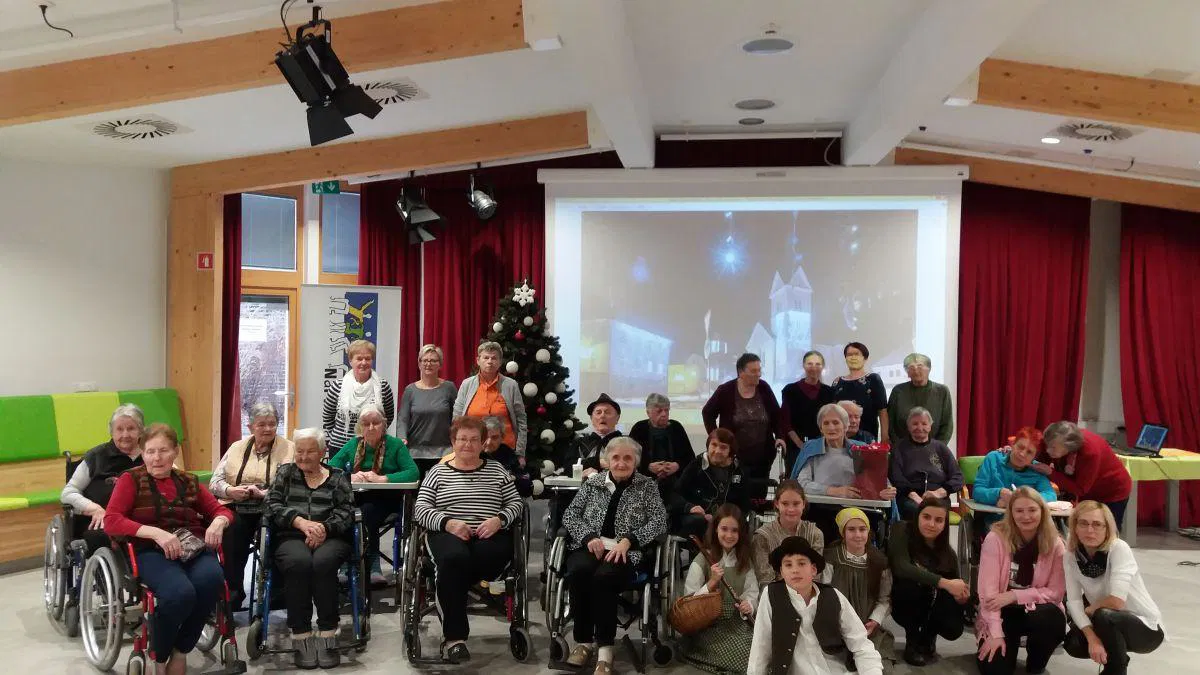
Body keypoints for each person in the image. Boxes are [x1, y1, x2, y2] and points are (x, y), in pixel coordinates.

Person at [104, 424, 233, 675]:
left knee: (212, 580)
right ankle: (159, 655)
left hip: (191, 548)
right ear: (142, 454)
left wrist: (219, 521)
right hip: (151, 551)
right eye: (150, 451)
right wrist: (155, 533)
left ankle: (181, 650)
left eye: (163, 450)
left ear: (175, 452)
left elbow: (220, 510)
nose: (156, 457)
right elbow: (112, 520)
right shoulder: (131, 480)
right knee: (179, 593)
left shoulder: (189, 481)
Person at [413, 417, 524, 664]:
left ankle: (451, 584)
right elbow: (420, 509)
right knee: (453, 558)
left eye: (474, 439)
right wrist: (448, 523)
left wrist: (499, 519)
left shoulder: (497, 470)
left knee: (458, 567)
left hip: (489, 537)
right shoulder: (437, 472)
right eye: (462, 439)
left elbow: (516, 503)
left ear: (483, 443)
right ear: (453, 442)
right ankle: (455, 639)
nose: (468, 444)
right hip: (447, 534)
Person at [561, 437, 668, 675]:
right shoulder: (593, 483)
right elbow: (570, 515)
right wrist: (589, 537)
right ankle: (584, 642)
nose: (621, 463)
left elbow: (660, 521)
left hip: (626, 551)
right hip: (590, 547)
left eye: (627, 458)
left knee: (604, 578)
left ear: (636, 462)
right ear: (607, 460)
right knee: (579, 572)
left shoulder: (647, 486)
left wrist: (629, 541)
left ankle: (605, 650)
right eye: (616, 458)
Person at [265, 428, 354, 670]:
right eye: (299, 451)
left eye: (310, 451)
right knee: (299, 563)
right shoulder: (286, 473)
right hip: (291, 535)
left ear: (323, 452)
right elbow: (271, 505)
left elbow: (346, 512)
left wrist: (324, 528)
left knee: (323, 564)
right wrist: (300, 522)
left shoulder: (337, 477)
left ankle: (327, 633)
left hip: (331, 537)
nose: (303, 457)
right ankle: (301, 635)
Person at [747, 536, 883, 675]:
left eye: (801, 563)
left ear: (813, 569)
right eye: (788, 565)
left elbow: (861, 645)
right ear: (781, 572)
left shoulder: (833, 596)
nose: (795, 570)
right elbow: (760, 649)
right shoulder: (771, 595)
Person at [1063, 501, 1164, 675]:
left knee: (1105, 614)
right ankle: (1117, 659)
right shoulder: (1071, 555)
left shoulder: (1118, 548)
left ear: (1107, 529)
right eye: (1083, 523)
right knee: (1073, 643)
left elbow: (1116, 602)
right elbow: (1073, 600)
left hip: (1145, 628)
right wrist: (1092, 638)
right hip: (1105, 622)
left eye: (1097, 524)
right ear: (1075, 527)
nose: (1089, 530)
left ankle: (1116, 669)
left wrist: (1090, 610)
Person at [210, 401, 294, 609]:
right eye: (262, 424)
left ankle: (276, 593)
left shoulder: (288, 448)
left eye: (272, 424)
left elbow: (290, 484)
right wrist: (231, 491)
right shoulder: (236, 448)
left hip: (271, 505)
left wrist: (264, 493)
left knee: (274, 530)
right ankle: (233, 593)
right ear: (251, 427)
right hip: (236, 504)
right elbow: (215, 482)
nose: (268, 429)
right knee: (231, 532)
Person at [975, 487, 1066, 675]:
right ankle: (1007, 642)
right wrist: (996, 634)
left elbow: (1055, 593)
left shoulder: (1056, 543)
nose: (1026, 516)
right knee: (995, 670)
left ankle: (1037, 662)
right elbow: (988, 594)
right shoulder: (995, 539)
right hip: (1000, 612)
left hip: (1035, 610)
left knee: (1052, 617)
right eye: (1019, 511)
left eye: (1032, 510)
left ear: (1042, 511)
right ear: (1011, 513)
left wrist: (1014, 595)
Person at [328, 404, 418, 583]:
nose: (370, 427)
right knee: (346, 512)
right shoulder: (353, 444)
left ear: (383, 425)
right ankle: (346, 564)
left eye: (375, 423)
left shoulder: (396, 445)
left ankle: (373, 563)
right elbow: (329, 468)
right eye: (366, 423)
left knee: (366, 512)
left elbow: (413, 472)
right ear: (360, 427)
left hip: (387, 499)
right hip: (356, 497)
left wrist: (382, 479)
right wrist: (350, 476)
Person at [790, 403, 896, 542]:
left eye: (835, 422)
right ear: (821, 428)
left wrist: (885, 490)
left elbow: (882, 482)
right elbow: (801, 484)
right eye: (826, 423)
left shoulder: (862, 449)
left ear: (846, 426)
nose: (831, 427)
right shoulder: (811, 449)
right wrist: (834, 491)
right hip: (821, 510)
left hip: (858, 510)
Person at [887, 497, 969, 667]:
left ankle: (928, 637)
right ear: (918, 516)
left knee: (953, 624)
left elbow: (957, 587)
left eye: (939, 520)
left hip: (932, 605)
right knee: (910, 585)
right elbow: (901, 567)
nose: (931, 524)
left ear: (945, 524)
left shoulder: (949, 554)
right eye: (926, 517)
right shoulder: (901, 529)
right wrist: (944, 583)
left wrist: (961, 597)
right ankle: (912, 639)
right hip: (904, 599)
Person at [680, 504, 759, 674]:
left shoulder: (744, 561)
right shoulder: (702, 559)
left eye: (734, 530)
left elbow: (752, 591)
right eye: (724, 529)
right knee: (745, 654)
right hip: (708, 625)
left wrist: (749, 605)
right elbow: (688, 601)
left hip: (736, 623)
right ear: (715, 529)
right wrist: (712, 583)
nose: (729, 535)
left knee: (760, 648)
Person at [61, 403, 146, 553]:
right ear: (111, 431)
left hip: (142, 518)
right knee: (104, 537)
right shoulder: (96, 456)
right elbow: (68, 493)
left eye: (131, 428)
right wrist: (94, 508)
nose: (125, 434)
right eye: (119, 429)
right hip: (103, 522)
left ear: (141, 431)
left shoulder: (151, 453)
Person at [823, 508, 896, 673]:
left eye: (862, 529)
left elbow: (884, 599)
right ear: (843, 532)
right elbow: (825, 593)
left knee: (880, 668)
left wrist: (874, 621)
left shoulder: (879, 561)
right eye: (851, 529)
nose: (858, 535)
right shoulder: (832, 558)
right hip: (836, 625)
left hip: (866, 626)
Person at [702, 353, 787, 494]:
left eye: (759, 370)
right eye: (754, 371)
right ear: (741, 372)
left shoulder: (764, 388)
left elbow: (776, 415)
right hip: (735, 456)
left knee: (759, 495)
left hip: (762, 456)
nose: (758, 374)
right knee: (736, 494)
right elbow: (707, 413)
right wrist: (717, 438)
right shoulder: (725, 390)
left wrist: (780, 436)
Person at [1035, 421, 1132, 527]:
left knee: (1106, 530)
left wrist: (1050, 472)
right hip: (1086, 489)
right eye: (1047, 445)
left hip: (1112, 490)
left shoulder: (1090, 452)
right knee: (1081, 527)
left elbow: (1080, 489)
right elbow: (1041, 456)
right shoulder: (1053, 439)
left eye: (1053, 448)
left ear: (1069, 446)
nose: (1048, 450)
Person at [453, 341, 528, 461]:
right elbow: (457, 420)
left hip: (505, 451)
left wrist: (520, 453)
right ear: (478, 360)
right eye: (486, 357)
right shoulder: (467, 384)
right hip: (472, 450)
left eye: (494, 358)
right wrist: (457, 449)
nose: (490, 361)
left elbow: (521, 421)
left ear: (500, 362)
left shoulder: (511, 385)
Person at [671, 429, 751, 538]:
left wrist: (725, 518)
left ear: (730, 451)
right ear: (708, 445)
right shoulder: (696, 465)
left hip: (728, 519)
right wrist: (690, 507)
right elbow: (675, 495)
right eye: (714, 445)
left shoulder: (739, 469)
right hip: (699, 517)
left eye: (723, 447)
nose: (717, 451)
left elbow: (744, 504)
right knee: (698, 522)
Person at [322, 338, 396, 452]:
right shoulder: (338, 386)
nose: (364, 362)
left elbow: (388, 417)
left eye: (368, 358)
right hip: (340, 446)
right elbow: (328, 416)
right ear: (350, 361)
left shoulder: (383, 386)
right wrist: (340, 436)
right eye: (359, 359)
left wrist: (373, 433)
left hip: (373, 446)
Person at [973, 427, 1057, 527]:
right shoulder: (993, 458)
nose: (1022, 454)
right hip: (995, 521)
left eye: (1029, 452)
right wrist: (998, 493)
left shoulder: (1037, 470)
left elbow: (1051, 495)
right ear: (1013, 445)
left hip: (1026, 524)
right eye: (1020, 447)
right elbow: (977, 491)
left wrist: (1024, 499)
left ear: (1034, 457)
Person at [890, 407, 963, 520]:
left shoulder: (940, 448)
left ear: (930, 426)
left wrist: (938, 493)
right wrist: (914, 496)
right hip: (909, 498)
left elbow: (958, 477)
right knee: (918, 510)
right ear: (908, 426)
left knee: (936, 510)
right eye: (915, 424)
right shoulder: (899, 448)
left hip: (938, 497)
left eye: (924, 423)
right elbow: (896, 478)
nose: (920, 427)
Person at [397, 344, 457, 475]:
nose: (428, 364)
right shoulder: (410, 390)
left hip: (445, 451)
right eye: (425, 360)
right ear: (419, 364)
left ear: (440, 364)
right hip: (415, 452)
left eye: (433, 360)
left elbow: (457, 418)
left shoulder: (449, 388)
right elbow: (403, 419)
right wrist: (402, 438)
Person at [751, 480, 824, 585]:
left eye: (796, 504)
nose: (791, 509)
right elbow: (765, 580)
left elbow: (815, 576)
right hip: (774, 595)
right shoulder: (762, 536)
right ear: (777, 504)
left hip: (807, 595)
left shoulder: (815, 534)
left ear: (803, 504)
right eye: (785, 504)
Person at [442, 416, 534, 497]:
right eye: (486, 437)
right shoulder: (468, 452)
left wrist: (512, 479)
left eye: (494, 438)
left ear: (502, 438)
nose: (489, 442)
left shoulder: (507, 454)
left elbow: (526, 487)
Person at [628, 393, 694, 497]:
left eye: (666, 410)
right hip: (645, 483)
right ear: (648, 412)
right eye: (659, 411)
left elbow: (690, 457)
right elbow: (629, 458)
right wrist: (647, 467)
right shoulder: (639, 428)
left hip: (675, 483)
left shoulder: (676, 427)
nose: (664, 414)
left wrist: (677, 466)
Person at [780, 350, 836, 476]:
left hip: (822, 447)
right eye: (810, 364)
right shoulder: (790, 390)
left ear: (823, 367)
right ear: (804, 366)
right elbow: (785, 421)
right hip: (796, 448)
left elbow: (831, 420)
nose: (814, 368)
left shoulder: (829, 392)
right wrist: (801, 445)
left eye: (818, 364)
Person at [886, 353, 953, 443]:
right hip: (902, 448)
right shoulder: (898, 390)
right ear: (907, 372)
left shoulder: (942, 391)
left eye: (920, 367)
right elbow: (890, 421)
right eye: (911, 368)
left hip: (934, 448)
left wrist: (938, 447)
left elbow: (947, 424)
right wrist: (897, 446)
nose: (916, 371)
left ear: (929, 369)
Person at [831, 342, 889, 445]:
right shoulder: (837, 382)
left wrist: (884, 437)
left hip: (868, 436)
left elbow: (882, 410)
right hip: (841, 438)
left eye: (857, 354)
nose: (853, 357)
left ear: (865, 358)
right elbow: (832, 411)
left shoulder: (873, 379)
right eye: (849, 355)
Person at [559, 393, 623, 476]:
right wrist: (597, 462)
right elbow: (568, 468)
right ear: (591, 418)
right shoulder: (580, 443)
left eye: (607, 412)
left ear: (617, 418)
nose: (602, 415)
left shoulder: (625, 443)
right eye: (598, 412)